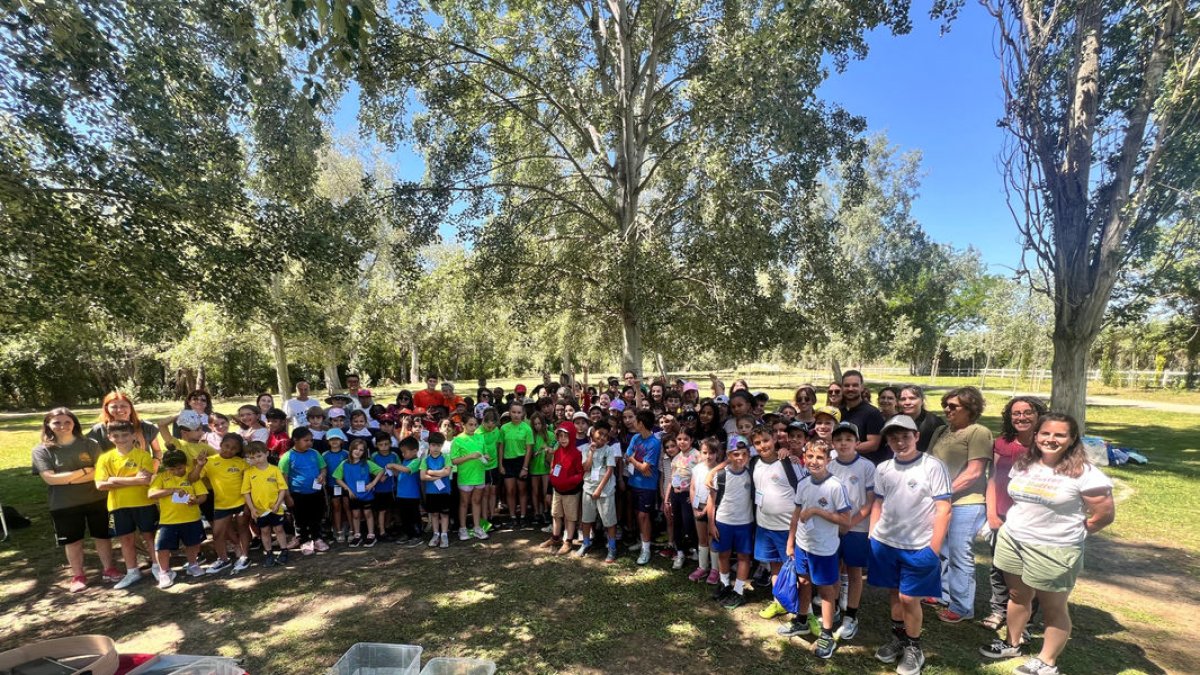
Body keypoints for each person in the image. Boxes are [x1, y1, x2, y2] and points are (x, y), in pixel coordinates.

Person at [979, 413, 1115, 675]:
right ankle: (1012, 643)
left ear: (1072, 438)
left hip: (1055, 548)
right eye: (1045, 433)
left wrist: (1071, 533)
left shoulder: (1086, 474)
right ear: (1037, 435)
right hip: (1014, 538)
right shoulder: (1025, 463)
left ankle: (1047, 661)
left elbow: (1103, 516)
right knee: (1017, 596)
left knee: (1054, 607)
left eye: (1059, 435)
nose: (1051, 439)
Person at [869, 415, 952, 675]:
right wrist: (872, 534)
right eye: (893, 437)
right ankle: (899, 638)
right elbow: (879, 502)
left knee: (909, 598)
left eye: (905, 436)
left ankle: (914, 647)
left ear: (916, 436)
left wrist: (933, 549)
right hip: (885, 542)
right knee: (895, 593)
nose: (899, 441)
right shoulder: (883, 468)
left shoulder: (933, 466)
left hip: (918, 546)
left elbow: (944, 509)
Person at [926, 386, 993, 623]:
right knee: (942, 549)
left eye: (953, 406)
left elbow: (974, 473)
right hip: (940, 502)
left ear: (970, 408)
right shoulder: (942, 431)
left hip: (966, 504)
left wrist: (942, 492)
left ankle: (962, 605)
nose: (947, 409)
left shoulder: (978, 432)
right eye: (946, 404)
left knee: (958, 553)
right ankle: (943, 593)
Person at [981, 396, 1048, 631]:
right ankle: (998, 610)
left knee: (1033, 569)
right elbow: (992, 478)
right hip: (1002, 516)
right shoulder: (1001, 443)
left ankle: (1027, 619)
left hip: (1034, 520)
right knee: (999, 567)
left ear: (1038, 414)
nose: (1021, 417)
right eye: (1016, 413)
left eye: (1027, 412)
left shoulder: (1046, 446)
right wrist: (991, 513)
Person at [33, 407, 117, 592]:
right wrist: (83, 471)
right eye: (57, 422)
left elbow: (100, 472)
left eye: (67, 422)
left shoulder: (90, 443)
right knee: (73, 541)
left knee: (103, 536)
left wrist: (67, 478)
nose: (62, 426)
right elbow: (49, 478)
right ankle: (78, 576)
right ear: (48, 424)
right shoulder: (41, 451)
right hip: (64, 504)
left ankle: (109, 569)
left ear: (74, 424)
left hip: (97, 499)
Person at [783, 440, 852, 660]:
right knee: (803, 582)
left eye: (819, 458)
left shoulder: (835, 486)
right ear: (805, 457)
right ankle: (802, 620)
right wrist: (791, 541)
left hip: (824, 549)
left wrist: (815, 511)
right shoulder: (803, 483)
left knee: (825, 591)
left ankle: (827, 633)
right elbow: (796, 513)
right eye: (810, 457)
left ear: (828, 460)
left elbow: (846, 521)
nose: (814, 461)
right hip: (804, 545)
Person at [93, 420, 157, 590]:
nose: (121, 439)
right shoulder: (105, 458)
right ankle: (132, 571)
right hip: (117, 505)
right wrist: (133, 479)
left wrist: (114, 479)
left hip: (144, 502)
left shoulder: (143, 455)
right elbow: (100, 485)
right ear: (109, 437)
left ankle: (159, 567)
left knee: (149, 535)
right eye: (116, 436)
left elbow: (146, 480)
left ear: (133, 435)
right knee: (126, 539)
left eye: (125, 435)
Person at [827, 421, 876, 641]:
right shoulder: (829, 466)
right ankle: (835, 608)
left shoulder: (866, 466)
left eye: (848, 439)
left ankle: (851, 616)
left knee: (854, 572)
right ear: (833, 443)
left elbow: (870, 502)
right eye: (839, 439)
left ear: (857, 442)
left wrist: (851, 522)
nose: (843, 443)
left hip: (857, 528)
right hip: (833, 528)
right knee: (834, 569)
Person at [751, 426, 803, 621]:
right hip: (764, 525)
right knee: (774, 565)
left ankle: (799, 607)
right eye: (757, 443)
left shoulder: (789, 463)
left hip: (786, 527)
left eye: (765, 440)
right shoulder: (754, 463)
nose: (762, 446)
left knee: (794, 568)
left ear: (774, 439)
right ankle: (779, 601)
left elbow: (803, 491)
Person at [147, 448, 208, 588]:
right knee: (162, 546)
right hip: (168, 521)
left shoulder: (191, 476)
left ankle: (193, 565)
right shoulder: (162, 477)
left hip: (191, 518)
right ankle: (164, 572)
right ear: (166, 467)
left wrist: (196, 501)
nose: (176, 471)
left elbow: (203, 495)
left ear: (185, 465)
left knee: (193, 543)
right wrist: (172, 490)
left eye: (179, 468)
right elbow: (151, 494)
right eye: (172, 469)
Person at [708, 436, 755, 609]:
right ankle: (725, 584)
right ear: (729, 455)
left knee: (743, 556)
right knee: (723, 554)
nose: (740, 458)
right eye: (736, 454)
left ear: (749, 455)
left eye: (744, 454)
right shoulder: (720, 475)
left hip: (744, 523)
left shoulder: (751, 475)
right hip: (723, 522)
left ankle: (739, 590)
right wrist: (711, 524)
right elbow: (712, 501)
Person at [200, 432, 252, 574]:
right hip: (221, 505)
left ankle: (244, 556)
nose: (229, 450)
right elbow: (193, 478)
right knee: (217, 534)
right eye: (227, 446)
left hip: (241, 503)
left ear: (238, 450)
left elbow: (249, 484)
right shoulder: (209, 461)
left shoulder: (241, 463)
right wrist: (199, 466)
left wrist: (249, 504)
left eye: (234, 448)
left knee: (242, 528)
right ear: (221, 444)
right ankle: (223, 559)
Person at [279, 427, 329, 556]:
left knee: (316, 516)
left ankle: (317, 538)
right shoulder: (287, 457)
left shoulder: (314, 453)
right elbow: (283, 479)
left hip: (316, 492)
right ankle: (304, 540)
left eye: (311, 440)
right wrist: (287, 496)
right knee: (300, 519)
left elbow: (323, 467)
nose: (309, 443)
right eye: (305, 440)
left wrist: (322, 475)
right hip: (297, 494)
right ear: (295, 440)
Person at [243, 441, 291, 565]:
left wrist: (278, 504)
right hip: (259, 510)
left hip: (275, 508)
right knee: (264, 531)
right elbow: (246, 492)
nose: (257, 460)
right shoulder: (249, 472)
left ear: (266, 453)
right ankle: (269, 553)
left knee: (279, 529)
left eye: (259, 456)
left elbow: (282, 489)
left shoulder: (275, 470)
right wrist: (252, 509)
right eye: (252, 457)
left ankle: (284, 551)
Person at [578, 422, 620, 563]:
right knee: (587, 519)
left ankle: (612, 547)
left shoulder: (609, 450)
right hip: (588, 488)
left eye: (605, 436)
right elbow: (586, 467)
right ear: (592, 432)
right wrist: (591, 451)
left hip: (605, 491)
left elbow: (609, 471)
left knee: (609, 520)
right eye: (600, 433)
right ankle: (585, 543)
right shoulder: (586, 449)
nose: (602, 437)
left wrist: (599, 489)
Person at [626, 409, 662, 565]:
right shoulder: (635, 437)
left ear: (641, 424)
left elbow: (645, 467)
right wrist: (637, 463)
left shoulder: (654, 443)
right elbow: (628, 456)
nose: (633, 423)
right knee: (637, 514)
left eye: (635, 421)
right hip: (634, 483)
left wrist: (635, 462)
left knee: (644, 516)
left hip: (648, 486)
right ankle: (642, 542)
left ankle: (646, 550)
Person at [688, 437, 723, 584]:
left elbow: (715, 495)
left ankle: (715, 569)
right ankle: (703, 567)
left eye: (712, 453)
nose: (708, 456)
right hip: (699, 508)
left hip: (713, 509)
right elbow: (693, 488)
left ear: (717, 453)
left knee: (712, 538)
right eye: (705, 452)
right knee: (702, 538)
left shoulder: (720, 471)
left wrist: (706, 511)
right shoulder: (697, 469)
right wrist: (695, 508)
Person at [547, 421, 584, 554]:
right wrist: (553, 477)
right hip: (557, 490)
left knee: (570, 517)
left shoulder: (576, 453)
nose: (562, 439)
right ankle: (555, 538)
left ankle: (567, 541)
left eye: (565, 436)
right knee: (556, 514)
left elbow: (580, 474)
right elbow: (554, 467)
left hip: (571, 492)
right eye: (560, 436)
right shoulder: (557, 452)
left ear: (572, 436)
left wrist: (569, 481)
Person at [665, 427, 699, 571]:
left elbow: (701, 478)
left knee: (689, 523)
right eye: (679, 439)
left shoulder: (697, 455)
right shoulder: (676, 457)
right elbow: (671, 479)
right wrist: (667, 499)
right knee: (677, 523)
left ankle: (698, 550)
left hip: (688, 495)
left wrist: (688, 490)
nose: (682, 442)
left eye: (685, 439)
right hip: (675, 494)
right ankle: (680, 553)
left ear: (691, 440)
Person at [451, 416, 489, 540]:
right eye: (470, 424)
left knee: (477, 501)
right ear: (463, 425)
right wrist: (470, 456)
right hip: (465, 476)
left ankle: (477, 527)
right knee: (464, 503)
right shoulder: (458, 440)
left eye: (475, 425)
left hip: (479, 475)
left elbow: (485, 452)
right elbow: (454, 460)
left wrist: (486, 456)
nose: (473, 427)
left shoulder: (480, 437)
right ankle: (462, 528)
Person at [87, 392, 162, 456]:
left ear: (130, 407)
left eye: (123, 406)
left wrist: (154, 466)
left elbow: (157, 451)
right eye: (114, 407)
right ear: (107, 408)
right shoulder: (99, 430)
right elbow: (89, 455)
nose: (119, 410)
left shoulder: (146, 427)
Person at [498, 402, 534, 528]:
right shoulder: (504, 428)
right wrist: (501, 464)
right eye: (514, 412)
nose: (516, 415)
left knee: (522, 490)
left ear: (523, 414)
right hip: (508, 462)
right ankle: (512, 516)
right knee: (510, 490)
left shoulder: (527, 428)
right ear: (510, 412)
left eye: (519, 412)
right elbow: (501, 447)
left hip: (521, 461)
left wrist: (525, 467)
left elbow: (529, 449)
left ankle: (523, 516)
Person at [839, 370, 886, 464]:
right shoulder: (839, 411)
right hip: (841, 464)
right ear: (842, 388)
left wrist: (840, 447)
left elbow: (873, 444)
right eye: (847, 385)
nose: (850, 388)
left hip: (865, 466)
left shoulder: (872, 413)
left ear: (862, 387)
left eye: (855, 385)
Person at [420, 432, 454, 548]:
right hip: (431, 492)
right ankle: (435, 534)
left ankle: (444, 535)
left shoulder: (446, 457)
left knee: (444, 514)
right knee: (434, 514)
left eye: (439, 446)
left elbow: (447, 472)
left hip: (444, 491)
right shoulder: (425, 460)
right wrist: (439, 475)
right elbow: (422, 476)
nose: (436, 448)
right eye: (433, 445)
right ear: (429, 445)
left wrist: (431, 472)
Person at [897, 385, 945, 453]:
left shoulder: (934, 422)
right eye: (903, 399)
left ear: (922, 401)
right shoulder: (895, 421)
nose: (907, 402)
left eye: (912, 398)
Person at [322, 428, 351, 543]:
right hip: (332, 485)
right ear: (328, 441)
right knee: (336, 507)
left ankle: (352, 530)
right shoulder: (324, 455)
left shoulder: (346, 454)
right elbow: (322, 469)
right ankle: (338, 531)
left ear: (342, 441)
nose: (334, 441)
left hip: (346, 485)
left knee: (347, 506)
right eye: (331, 439)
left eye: (337, 439)